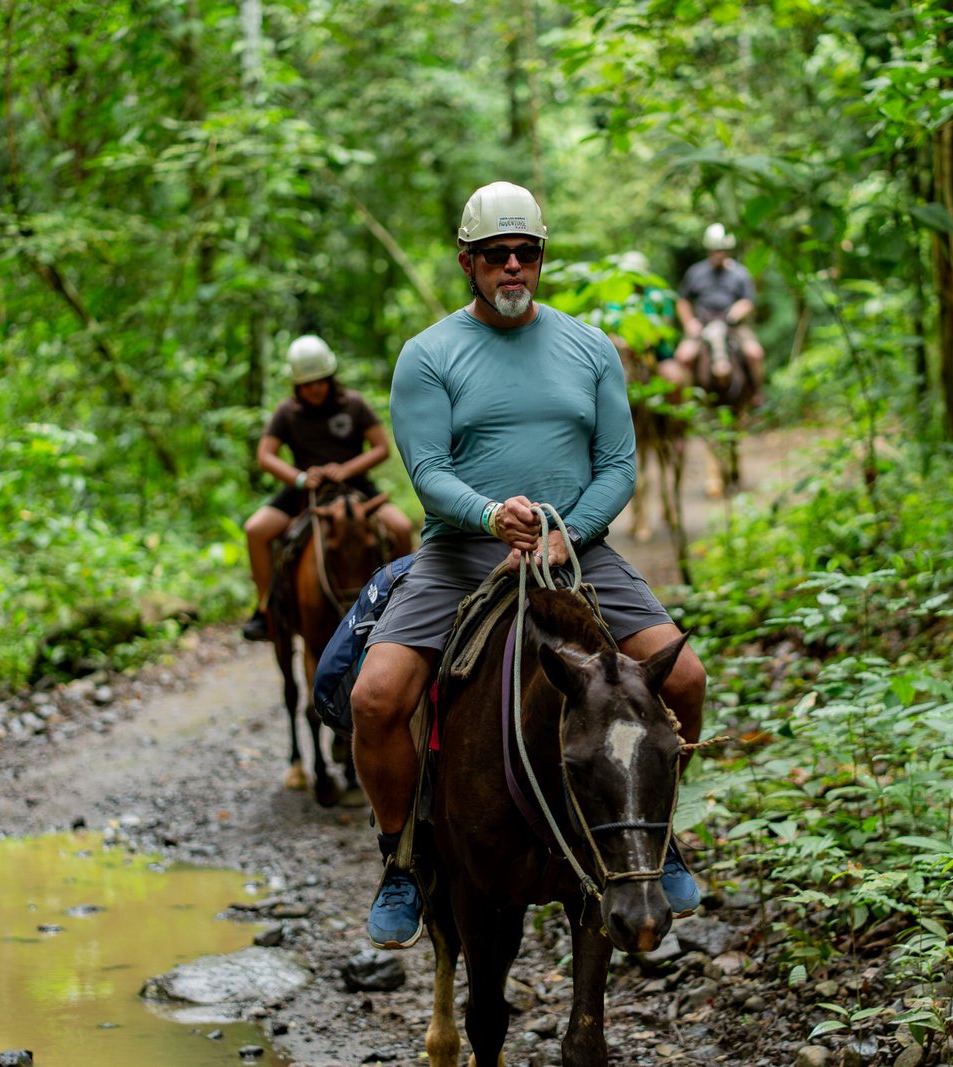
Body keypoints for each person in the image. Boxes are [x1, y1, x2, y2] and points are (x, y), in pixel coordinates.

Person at [349, 181, 708, 949]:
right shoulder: (429, 354)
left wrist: (566, 534)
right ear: (467, 262)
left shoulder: (589, 349)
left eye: (526, 252)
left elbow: (617, 463)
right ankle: (401, 858)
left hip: (576, 546)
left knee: (685, 678)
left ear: (541, 258)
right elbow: (428, 469)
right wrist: (487, 514)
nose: (512, 266)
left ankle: (658, 838)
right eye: (495, 255)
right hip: (461, 550)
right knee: (376, 696)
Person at [240, 335, 413, 642]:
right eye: (306, 384)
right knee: (255, 530)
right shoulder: (287, 413)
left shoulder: (354, 405)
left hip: (356, 487)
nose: (314, 388)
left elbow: (381, 447)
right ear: (296, 385)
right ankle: (267, 608)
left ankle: (405, 600)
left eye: (319, 381)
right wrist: (300, 478)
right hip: (306, 491)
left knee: (400, 527)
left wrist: (346, 469)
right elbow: (265, 455)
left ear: (331, 377)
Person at [669, 223, 765, 404]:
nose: (718, 254)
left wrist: (738, 311)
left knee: (754, 353)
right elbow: (682, 301)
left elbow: (749, 301)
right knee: (683, 356)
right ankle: (689, 400)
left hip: (733, 324)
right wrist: (689, 323)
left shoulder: (740, 273)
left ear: (729, 250)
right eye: (714, 250)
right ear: (708, 250)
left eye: (723, 250)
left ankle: (757, 394)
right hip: (703, 323)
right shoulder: (696, 272)